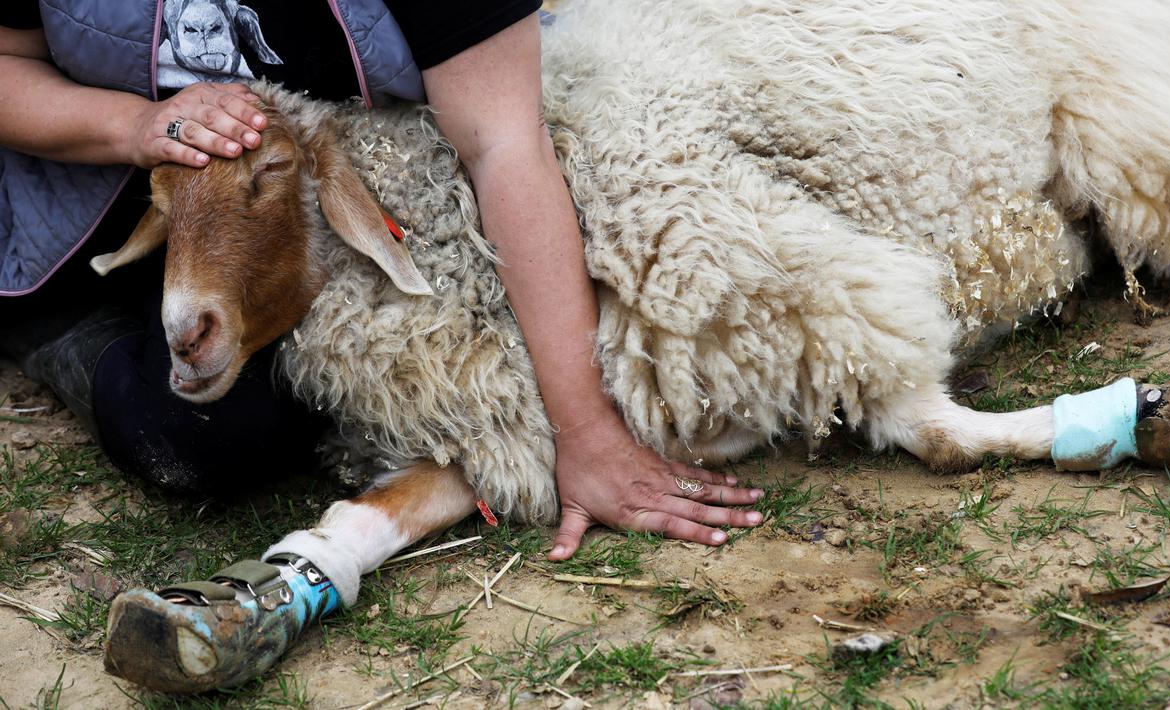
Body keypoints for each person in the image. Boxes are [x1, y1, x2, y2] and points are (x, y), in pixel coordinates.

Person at [1, 0, 764, 691]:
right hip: (86, 189)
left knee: (239, 429)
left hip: (333, 201)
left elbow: (502, 142)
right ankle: (52, 324)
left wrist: (585, 428)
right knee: (175, 428)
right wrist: (129, 126)